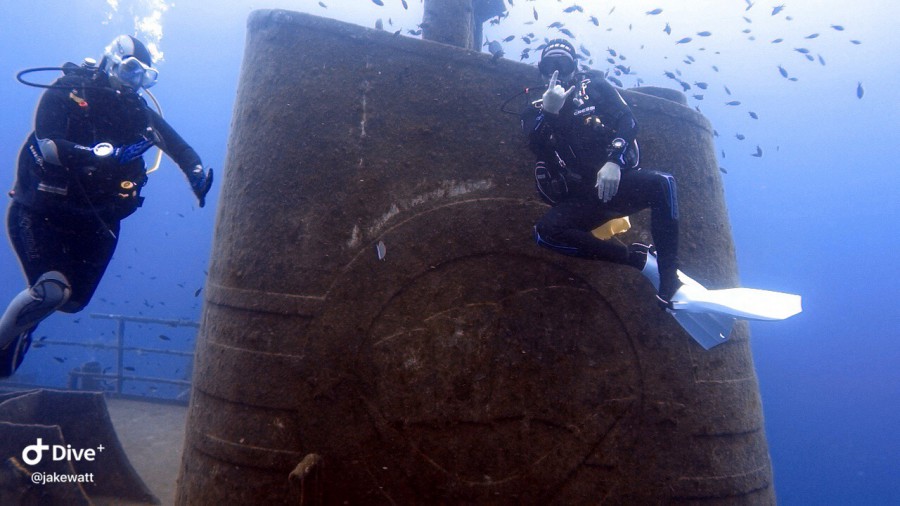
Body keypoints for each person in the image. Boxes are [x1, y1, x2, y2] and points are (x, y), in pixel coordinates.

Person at [0, 35, 213, 377]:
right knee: (51, 293)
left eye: (144, 76)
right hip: (42, 211)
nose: (135, 81)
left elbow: (179, 148)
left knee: (72, 303)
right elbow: (48, 145)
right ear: (111, 61)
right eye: (130, 70)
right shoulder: (68, 91)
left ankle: (25, 325)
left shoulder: (138, 113)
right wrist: (102, 156)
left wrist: (197, 175)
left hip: (97, 220)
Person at [521, 39, 681, 308]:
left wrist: (614, 161)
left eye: (564, 64)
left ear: (575, 67)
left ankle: (669, 280)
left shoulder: (595, 87)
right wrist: (549, 112)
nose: (556, 72)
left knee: (663, 184)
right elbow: (535, 145)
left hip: (617, 184)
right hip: (581, 198)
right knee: (545, 233)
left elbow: (628, 121)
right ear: (541, 71)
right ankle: (636, 259)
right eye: (550, 66)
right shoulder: (534, 110)